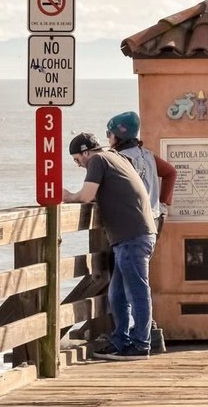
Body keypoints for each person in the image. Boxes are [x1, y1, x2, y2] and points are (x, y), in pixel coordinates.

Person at [63, 132, 155, 361]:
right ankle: (120, 341)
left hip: (132, 236)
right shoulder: (117, 157)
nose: (78, 164)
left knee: (137, 292)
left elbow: (86, 196)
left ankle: (141, 345)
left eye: (77, 159)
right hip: (135, 234)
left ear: (86, 152)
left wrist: (66, 196)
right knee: (117, 294)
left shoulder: (98, 160)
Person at [106, 111, 177, 237]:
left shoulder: (121, 159)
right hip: (154, 219)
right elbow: (170, 173)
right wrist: (163, 203)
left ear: (118, 135)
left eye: (109, 134)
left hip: (134, 224)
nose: (108, 138)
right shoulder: (148, 155)